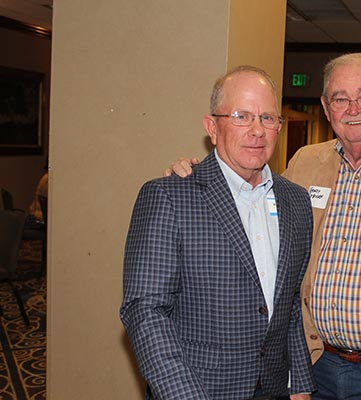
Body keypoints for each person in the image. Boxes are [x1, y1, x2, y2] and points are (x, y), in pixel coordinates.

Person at [166, 53, 361, 400]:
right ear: (325, 106)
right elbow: (253, 212)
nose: (354, 109)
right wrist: (199, 178)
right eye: (340, 99)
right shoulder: (305, 164)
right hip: (313, 366)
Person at [121, 66, 315, 400]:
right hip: (197, 390)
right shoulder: (169, 196)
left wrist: (298, 383)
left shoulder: (296, 201)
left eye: (267, 118)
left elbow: (291, 303)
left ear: (279, 127)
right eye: (242, 116)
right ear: (212, 127)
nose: (257, 130)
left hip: (273, 389)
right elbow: (145, 310)